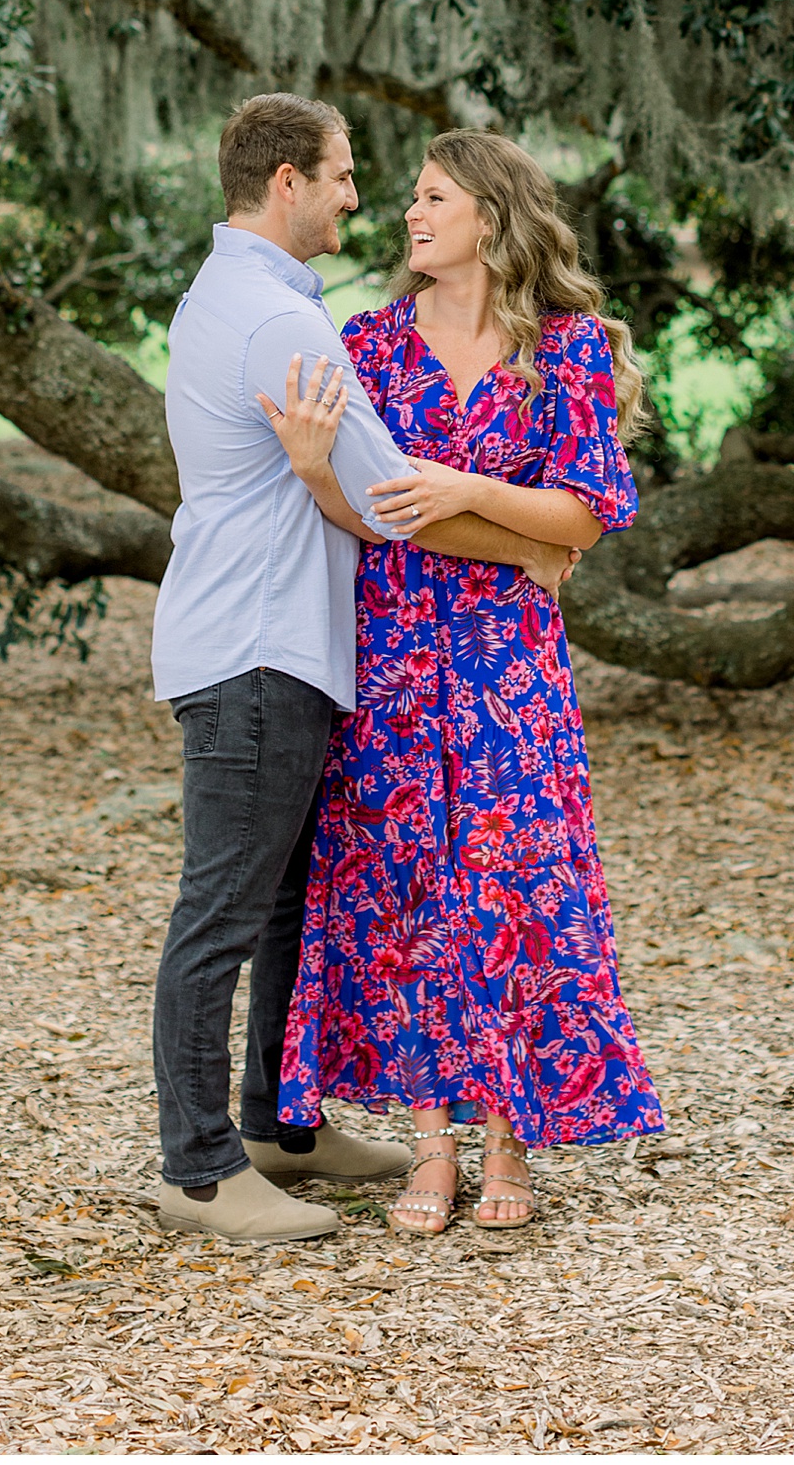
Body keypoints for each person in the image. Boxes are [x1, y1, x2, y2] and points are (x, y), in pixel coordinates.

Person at [150, 94, 573, 1243]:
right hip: (258, 647)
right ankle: (200, 1169)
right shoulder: (285, 325)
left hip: (283, 644)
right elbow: (396, 504)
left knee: (289, 896)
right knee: (223, 909)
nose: (359, 197)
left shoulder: (242, 295)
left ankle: (283, 1127)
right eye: (341, 176)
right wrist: (537, 544)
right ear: (287, 180)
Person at [278, 130, 664, 1232]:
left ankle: (508, 1141)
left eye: (432, 195)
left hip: (509, 668)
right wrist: (322, 472)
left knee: (506, 888)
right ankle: (430, 1144)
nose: (408, 212)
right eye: (409, 196)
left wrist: (456, 488)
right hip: (394, 658)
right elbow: (371, 513)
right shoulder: (369, 344)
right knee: (405, 893)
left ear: (490, 215)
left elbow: (585, 514)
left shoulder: (571, 350)